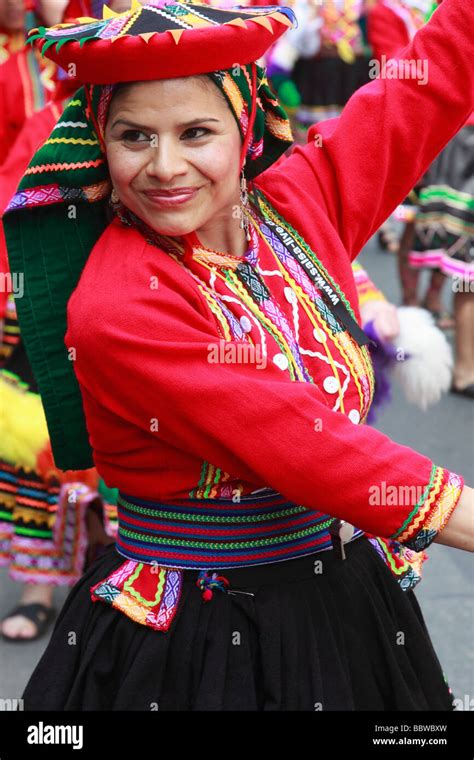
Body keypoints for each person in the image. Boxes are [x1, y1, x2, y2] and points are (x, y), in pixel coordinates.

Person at [3, 0, 473, 710]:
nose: (165, 167)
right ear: (101, 140)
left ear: (245, 127)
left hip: (341, 595)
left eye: (196, 132)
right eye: (134, 136)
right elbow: (309, 446)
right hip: (199, 634)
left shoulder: (296, 206)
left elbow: (425, 85)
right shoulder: (118, 307)